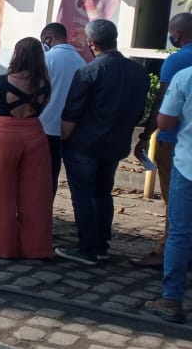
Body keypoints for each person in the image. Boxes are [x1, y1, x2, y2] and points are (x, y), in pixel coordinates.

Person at [56, 19, 150, 265]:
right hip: (115, 144)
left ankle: (87, 248)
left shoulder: (88, 71)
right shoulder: (139, 73)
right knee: (103, 194)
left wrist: (62, 139)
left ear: (91, 43)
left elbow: (71, 113)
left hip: (84, 145)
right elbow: (139, 110)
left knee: (83, 196)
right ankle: (101, 245)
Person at [0, 37, 54, 259]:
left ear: (17, 55)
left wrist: (4, 119)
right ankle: (36, 248)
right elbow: (42, 109)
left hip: (4, 133)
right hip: (34, 134)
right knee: (36, 194)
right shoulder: (44, 85)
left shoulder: (2, 81)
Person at [133, 13, 192, 268]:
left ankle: (168, 252)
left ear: (177, 34)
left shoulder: (177, 63)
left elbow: (162, 107)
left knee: (174, 203)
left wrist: (146, 136)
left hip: (174, 143)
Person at [146, 65, 192, 323]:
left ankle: (171, 299)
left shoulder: (185, 76)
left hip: (188, 165)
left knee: (180, 233)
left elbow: (164, 121)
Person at [39, 22, 87, 193]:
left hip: (43, 125)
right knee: (54, 171)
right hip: (69, 128)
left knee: (38, 173)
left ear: (48, 38)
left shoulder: (46, 59)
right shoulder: (81, 62)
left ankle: (35, 212)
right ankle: (46, 211)